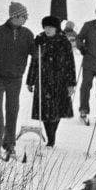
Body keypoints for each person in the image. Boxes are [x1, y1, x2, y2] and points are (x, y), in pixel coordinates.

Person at [0, 2, 34, 158]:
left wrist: (40, 48)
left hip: (15, 78)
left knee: (13, 110)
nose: (26, 19)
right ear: (15, 16)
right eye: (24, 16)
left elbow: (35, 53)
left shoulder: (27, 34)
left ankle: (9, 144)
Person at [27, 16, 76, 148]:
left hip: (60, 80)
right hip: (42, 81)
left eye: (50, 27)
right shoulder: (39, 40)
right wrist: (30, 80)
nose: (47, 30)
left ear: (56, 28)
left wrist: (71, 83)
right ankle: (50, 136)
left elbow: (70, 63)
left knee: (57, 110)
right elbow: (34, 62)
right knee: (43, 111)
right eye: (46, 27)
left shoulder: (63, 41)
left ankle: (51, 136)